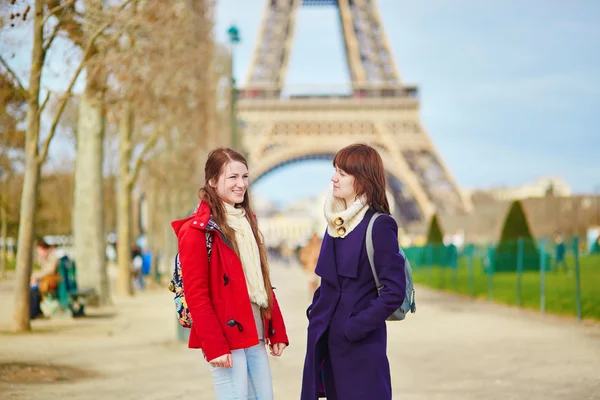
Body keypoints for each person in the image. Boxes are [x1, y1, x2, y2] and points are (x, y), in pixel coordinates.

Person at [171, 147, 289, 400]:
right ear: (212, 181)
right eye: (232, 177)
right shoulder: (196, 231)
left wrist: (276, 327)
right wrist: (214, 346)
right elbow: (196, 294)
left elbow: (262, 278)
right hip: (225, 335)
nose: (241, 184)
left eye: (244, 176)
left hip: (255, 332)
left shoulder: (248, 223)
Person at [300, 143, 407, 400]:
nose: (333, 178)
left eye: (342, 173)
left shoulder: (379, 225)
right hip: (327, 341)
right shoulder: (334, 222)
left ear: (361, 179)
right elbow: (328, 282)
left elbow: (394, 291)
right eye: (335, 170)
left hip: (361, 346)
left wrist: (356, 326)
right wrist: (315, 311)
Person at [30, 239, 59, 319]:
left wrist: (35, 276)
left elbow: (50, 271)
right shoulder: (44, 258)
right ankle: (36, 311)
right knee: (32, 288)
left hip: (52, 282)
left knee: (34, 290)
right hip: (47, 281)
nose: (39, 253)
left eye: (39, 250)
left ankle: (34, 313)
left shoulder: (53, 258)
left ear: (44, 249)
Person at [299, 233, 322, 297]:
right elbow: (302, 255)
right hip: (310, 267)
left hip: (317, 266)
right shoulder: (308, 246)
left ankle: (315, 292)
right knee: (311, 280)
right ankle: (312, 293)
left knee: (316, 281)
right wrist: (305, 261)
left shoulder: (320, 245)